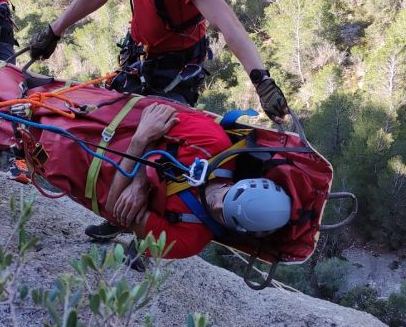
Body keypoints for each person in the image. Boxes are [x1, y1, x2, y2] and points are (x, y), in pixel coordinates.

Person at [25, 0, 290, 240]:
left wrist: (261, 78)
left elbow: (228, 23)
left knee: (157, 144)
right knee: (114, 130)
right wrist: (55, 30)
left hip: (174, 71)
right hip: (141, 60)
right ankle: (114, 205)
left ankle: (141, 228)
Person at [103, 102, 292, 260]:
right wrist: (139, 182)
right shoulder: (214, 143)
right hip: (105, 127)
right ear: (239, 184)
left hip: (90, 180)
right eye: (227, 196)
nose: (216, 205)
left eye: (226, 217)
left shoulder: (188, 240)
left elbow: (112, 209)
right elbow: (155, 110)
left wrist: (140, 141)